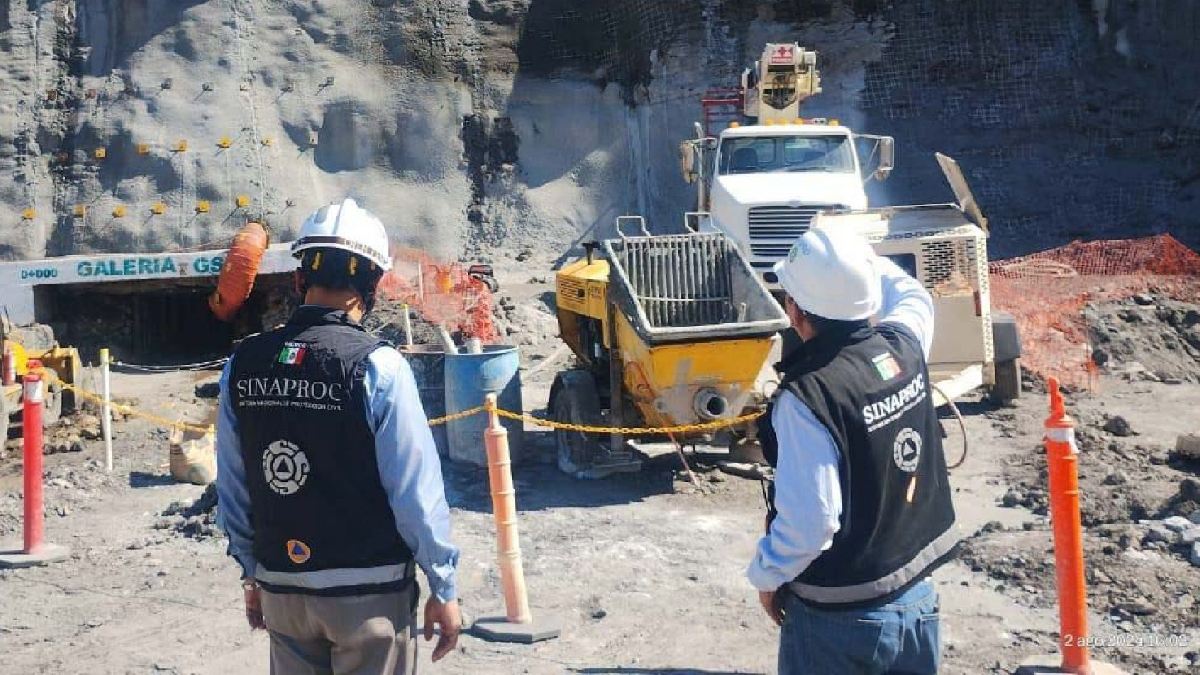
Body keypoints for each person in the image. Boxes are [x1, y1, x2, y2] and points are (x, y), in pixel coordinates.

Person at [215, 198, 461, 674]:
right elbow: (415, 493)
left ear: (299, 278)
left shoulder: (241, 365)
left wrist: (254, 574)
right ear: (372, 284)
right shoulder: (379, 367)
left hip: (283, 590)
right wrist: (443, 585)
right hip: (368, 595)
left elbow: (234, 485)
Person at [748, 227, 958, 674]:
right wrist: (853, 257)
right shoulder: (905, 345)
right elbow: (912, 292)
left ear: (795, 312)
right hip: (917, 598)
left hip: (839, 621)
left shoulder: (806, 399)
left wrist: (768, 576)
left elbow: (814, 522)